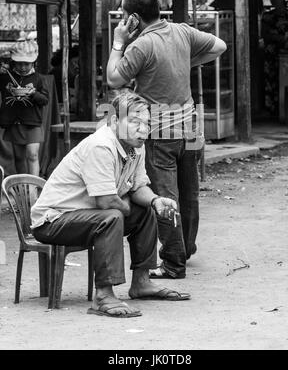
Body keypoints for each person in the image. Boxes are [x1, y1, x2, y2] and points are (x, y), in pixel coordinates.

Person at [30, 92, 190, 318]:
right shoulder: (101, 145)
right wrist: (125, 204)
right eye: (135, 122)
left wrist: (155, 200)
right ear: (115, 121)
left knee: (146, 211)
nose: (143, 130)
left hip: (87, 217)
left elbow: (138, 187)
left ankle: (141, 283)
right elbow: (105, 201)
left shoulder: (137, 146)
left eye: (147, 124)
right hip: (53, 221)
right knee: (112, 215)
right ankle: (103, 296)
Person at [107, 0, 227, 279]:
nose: (124, 20)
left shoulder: (141, 46)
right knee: (189, 193)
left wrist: (117, 42)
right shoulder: (182, 31)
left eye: (125, 15)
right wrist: (187, 61)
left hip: (161, 131)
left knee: (165, 195)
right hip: (191, 130)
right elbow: (220, 46)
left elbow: (113, 78)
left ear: (134, 18)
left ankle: (174, 263)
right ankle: (186, 247)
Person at [0, 38, 48, 176]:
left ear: (33, 62)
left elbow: (45, 100)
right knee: (19, 157)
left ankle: (33, 187)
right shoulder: (6, 76)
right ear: (13, 61)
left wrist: (34, 93)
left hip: (32, 122)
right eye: (19, 63)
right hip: (14, 122)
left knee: (32, 155)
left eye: (26, 64)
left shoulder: (39, 79)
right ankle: (23, 187)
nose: (22, 67)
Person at [261, 0, 288, 117]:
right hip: (271, 52)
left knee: (286, 79)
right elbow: (264, 35)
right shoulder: (267, 16)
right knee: (270, 80)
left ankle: (285, 110)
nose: (272, 0)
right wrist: (278, 38)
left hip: (287, 53)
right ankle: (271, 110)